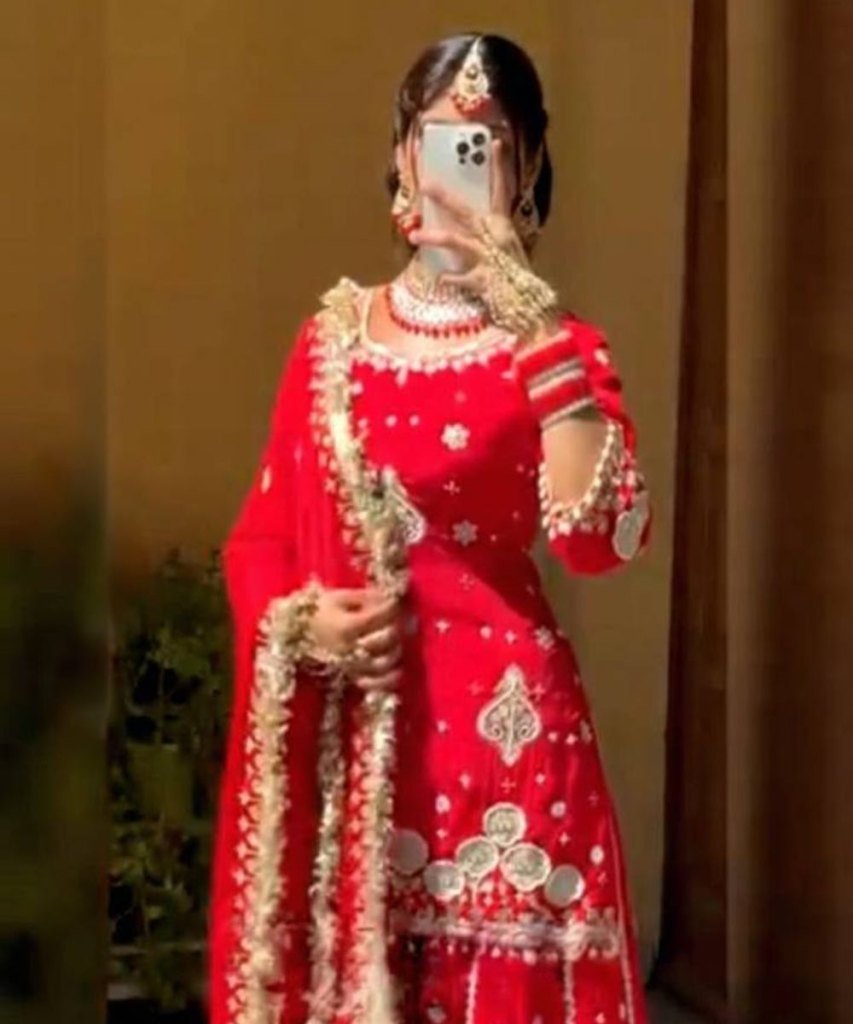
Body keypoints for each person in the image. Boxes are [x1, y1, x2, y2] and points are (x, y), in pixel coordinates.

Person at [209, 31, 652, 1024]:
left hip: (508, 747)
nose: (459, 163)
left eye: (486, 144)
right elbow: (259, 541)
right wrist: (301, 622)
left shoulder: (563, 348)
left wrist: (536, 332)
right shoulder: (332, 342)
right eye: (440, 138)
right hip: (363, 737)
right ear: (402, 156)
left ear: (525, 169)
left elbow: (598, 541)